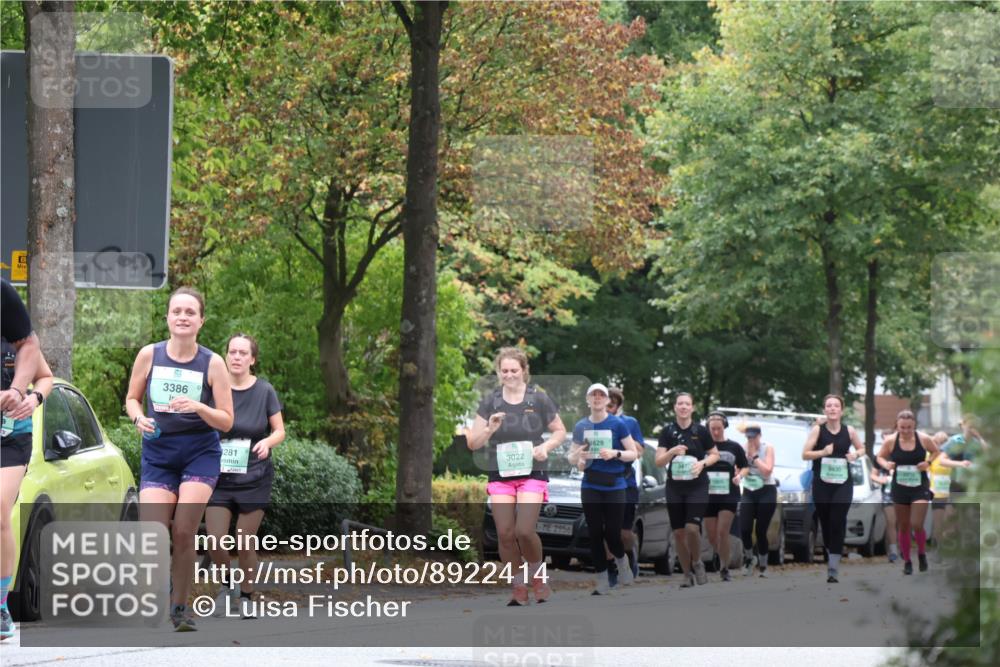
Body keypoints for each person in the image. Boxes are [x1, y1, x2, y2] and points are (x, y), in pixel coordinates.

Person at [125, 287, 233, 631]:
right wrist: (138, 418)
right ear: (168, 318)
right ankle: (162, 591)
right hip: (158, 453)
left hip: (199, 453)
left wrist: (200, 407)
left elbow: (227, 420)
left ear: (201, 320)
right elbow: (131, 399)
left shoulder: (212, 363)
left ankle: (180, 609)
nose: (183, 317)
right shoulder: (149, 355)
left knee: (184, 531)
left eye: (190, 312)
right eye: (177, 311)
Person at [465, 347, 566, 606]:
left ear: (524, 371)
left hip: (532, 472)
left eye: (514, 370)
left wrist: (545, 447)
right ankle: (518, 585)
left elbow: (559, 431)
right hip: (501, 474)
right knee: (505, 533)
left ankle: (538, 577)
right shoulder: (491, 401)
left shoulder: (539, 399)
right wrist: (490, 428)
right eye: (504, 370)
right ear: (499, 372)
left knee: (524, 530)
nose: (509, 375)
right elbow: (473, 443)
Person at [206, 334, 285, 619]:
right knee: (215, 540)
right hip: (218, 476)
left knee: (244, 540)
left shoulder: (264, 391)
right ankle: (228, 587)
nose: (237, 357)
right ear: (225, 356)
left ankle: (249, 594)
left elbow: (279, 430)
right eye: (232, 352)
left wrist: (268, 442)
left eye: (243, 353)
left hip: (254, 475)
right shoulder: (213, 388)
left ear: (252, 359)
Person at [1, 278, 45, 642]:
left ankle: (1, 604)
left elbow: (31, 347)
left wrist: (19, 390)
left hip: (9, 432)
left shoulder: (2, 294)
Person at [567, 383, 641, 595]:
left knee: (612, 533)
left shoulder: (618, 424)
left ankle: (622, 561)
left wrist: (615, 453)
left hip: (615, 485)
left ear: (608, 401)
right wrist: (579, 457)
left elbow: (633, 453)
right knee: (595, 533)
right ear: (587, 400)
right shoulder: (581, 426)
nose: (597, 398)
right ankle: (602, 579)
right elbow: (572, 457)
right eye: (593, 395)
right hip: (590, 484)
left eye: (601, 395)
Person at [655, 392, 719, 588]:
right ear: (675, 407)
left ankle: (697, 561)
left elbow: (715, 455)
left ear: (692, 408)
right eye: (680, 404)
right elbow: (658, 461)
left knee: (692, 528)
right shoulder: (667, 432)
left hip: (697, 486)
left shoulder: (701, 431)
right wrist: (672, 452)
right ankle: (685, 574)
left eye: (687, 404)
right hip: (675, 487)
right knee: (679, 533)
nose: (683, 407)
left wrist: (702, 464)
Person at [802, 394, 865, 583]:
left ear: (841, 410)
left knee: (838, 519)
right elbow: (805, 454)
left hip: (843, 483)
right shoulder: (817, 431)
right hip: (822, 483)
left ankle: (833, 567)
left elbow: (862, 449)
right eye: (828, 405)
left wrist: (856, 455)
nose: (832, 408)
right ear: (824, 410)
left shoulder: (850, 431)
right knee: (826, 522)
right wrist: (823, 452)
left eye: (835, 406)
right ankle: (831, 552)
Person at [875, 410, 942, 574]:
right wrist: (886, 465)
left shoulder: (924, 438)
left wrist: (927, 462)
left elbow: (936, 451)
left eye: (909, 428)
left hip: (919, 487)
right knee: (903, 526)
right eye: (902, 428)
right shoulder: (891, 441)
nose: (905, 431)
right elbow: (880, 457)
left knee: (916, 524)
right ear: (897, 426)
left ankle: (921, 553)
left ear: (914, 426)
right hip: (900, 487)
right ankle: (907, 561)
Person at [704, 412, 748, 582]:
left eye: (719, 429)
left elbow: (744, 466)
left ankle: (724, 567)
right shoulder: (703, 447)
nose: (715, 432)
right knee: (712, 536)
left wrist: (739, 476)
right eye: (712, 429)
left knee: (723, 532)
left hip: (728, 493)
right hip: (708, 495)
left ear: (724, 427)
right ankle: (720, 554)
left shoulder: (734, 447)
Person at [607, 387, 645, 581]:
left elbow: (640, 451)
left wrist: (623, 436)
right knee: (607, 529)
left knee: (623, 532)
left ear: (618, 405)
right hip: (603, 481)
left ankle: (630, 555)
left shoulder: (629, 422)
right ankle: (612, 569)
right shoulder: (596, 423)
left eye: (611, 404)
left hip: (626, 482)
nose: (608, 407)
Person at [738, 421, 777, 578]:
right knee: (745, 528)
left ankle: (763, 565)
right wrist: (738, 473)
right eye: (748, 438)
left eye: (753, 437)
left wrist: (754, 457)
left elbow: (767, 470)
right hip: (749, 490)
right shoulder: (743, 447)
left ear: (759, 436)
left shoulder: (767, 447)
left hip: (766, 491)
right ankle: (749, 559)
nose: (751, 441)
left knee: (761, 531)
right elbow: (740, 468)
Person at [928, 430, 970, 563]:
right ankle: (939, 549)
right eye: (937, 443)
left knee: (955, 525)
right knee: (939, 524)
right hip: (938, 494)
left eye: (942, 443)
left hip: (952, 492)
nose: (940, 446)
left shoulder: (952, 457)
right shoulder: (931, 457)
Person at [870, 461, 899, 563]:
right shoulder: (880, 457)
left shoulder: (907, 452)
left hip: (904, 493)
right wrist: (880, 479)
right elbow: (872, 475)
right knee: (891, 521)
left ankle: (903, 546)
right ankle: (893, 551)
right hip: (888, 494)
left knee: (902, 522)